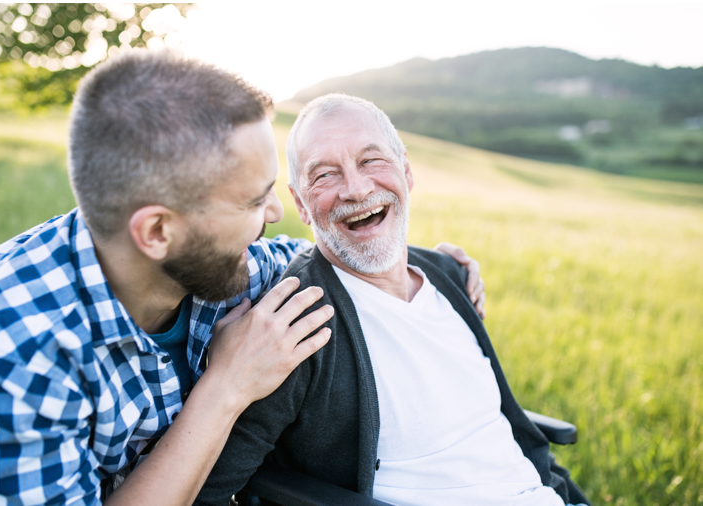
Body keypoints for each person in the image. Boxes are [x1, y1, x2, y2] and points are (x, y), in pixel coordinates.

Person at [0, 51, 484, 505]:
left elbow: (319, 251)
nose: (275, 212)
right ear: (157, 231)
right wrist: (227, 386)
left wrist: (430, 264)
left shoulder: (224, 263)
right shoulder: (12, 343)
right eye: (254, 200)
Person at [194, 94, 590, 506]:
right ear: (301, 205)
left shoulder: (448, 275)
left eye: (371, 161)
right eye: (325, 175)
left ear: (406, 172)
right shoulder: (295, 323)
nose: (356, 188)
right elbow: (212, 490)